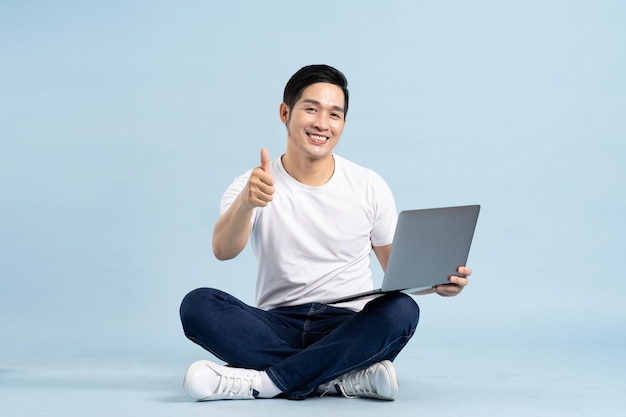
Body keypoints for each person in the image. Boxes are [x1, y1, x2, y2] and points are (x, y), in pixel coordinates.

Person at [179, 64, 472, 401]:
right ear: (285, 112)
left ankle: (265, 383)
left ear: (343, 123)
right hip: (277, 325)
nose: (322, 123)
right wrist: (247, 202)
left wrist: (436, 283)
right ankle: (338, 378)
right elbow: (223, 250)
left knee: (403, 310)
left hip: (348, 326)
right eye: (311, 109)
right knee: (197, 305)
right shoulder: (254, 183)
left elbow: (399, 273)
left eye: (335, 114)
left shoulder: (368, 185)